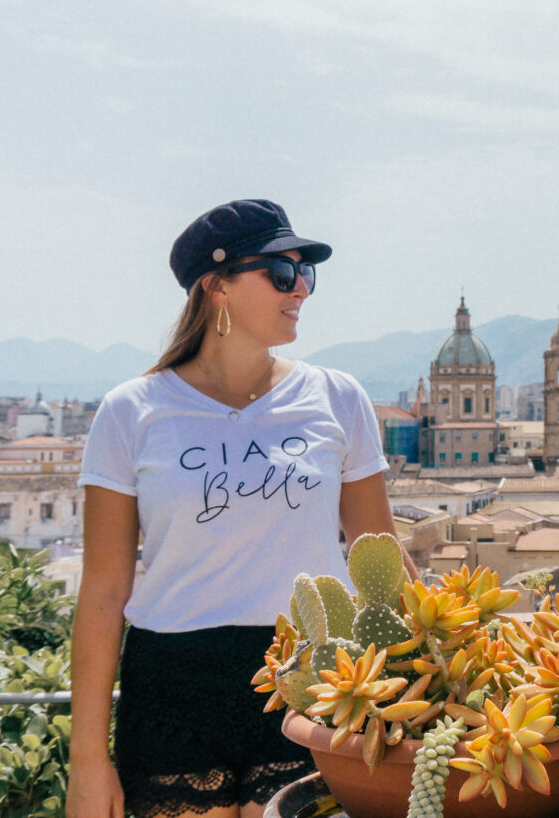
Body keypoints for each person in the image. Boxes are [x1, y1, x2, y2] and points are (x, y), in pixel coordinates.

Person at [67, 200, 416, 818]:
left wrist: (458, 663)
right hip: (173, 684)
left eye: (307, 272)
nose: (302, 289)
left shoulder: (336, 398)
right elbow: (102, 591)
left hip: (313, 678)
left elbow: (382, 560)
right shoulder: (131, 411)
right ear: (217, 286)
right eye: (282, 273)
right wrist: (88, 760)